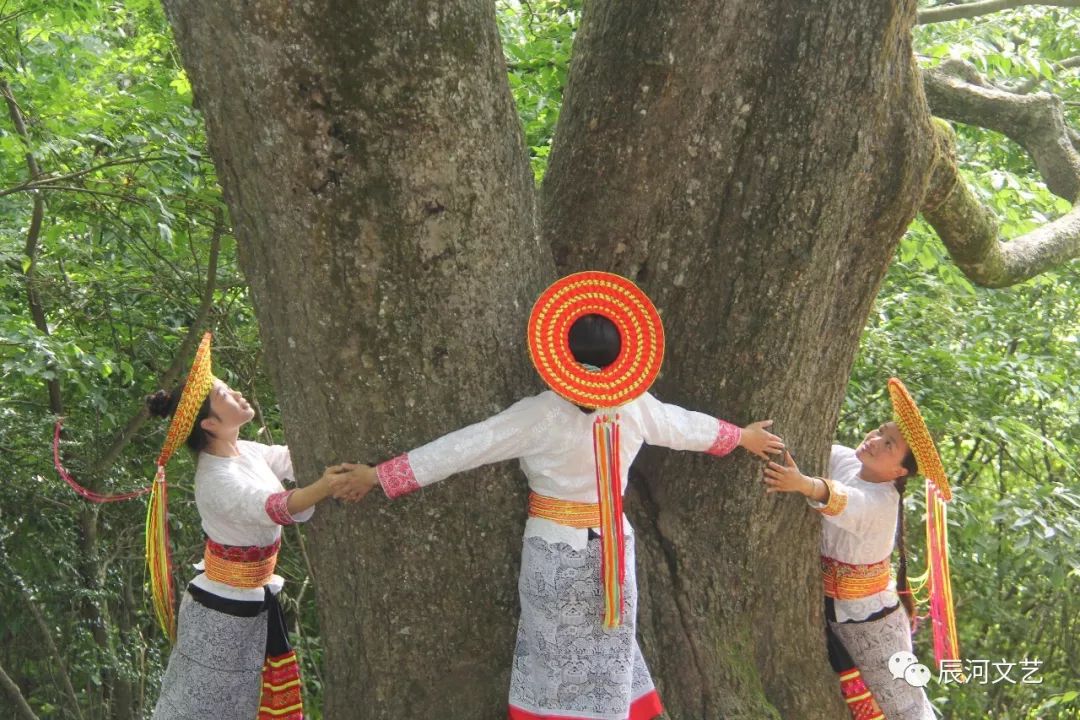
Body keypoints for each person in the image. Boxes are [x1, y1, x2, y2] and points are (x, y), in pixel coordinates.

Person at [332, 271, 784, 720]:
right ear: (621, 358)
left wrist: (379, 476)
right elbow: (686, 426)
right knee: (611, 651)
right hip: (613, 551)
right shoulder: (635, 407)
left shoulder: (539, 414)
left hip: (553, 553)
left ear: (559, 355)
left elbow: (465, 446)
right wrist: (742, 437)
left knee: (555, 660)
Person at [145, 333, 353, 720]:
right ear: (210, 423)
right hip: (223, 607)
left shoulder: (248, 452)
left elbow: (292, 459)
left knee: (245, 698)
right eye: (226, 395)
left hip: (251, 598)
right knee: (207, 702)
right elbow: (276, 507)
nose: (238, 394)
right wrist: (325, 487)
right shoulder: (216, 479)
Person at [763, 390, 942, 720]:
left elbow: (847, 501)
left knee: (901, 704)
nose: (875, 440)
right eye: (880, 432)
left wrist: (804, 484)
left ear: (899, 472)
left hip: (871, 621)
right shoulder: (847, 460)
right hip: (837, 610)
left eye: (889, 444)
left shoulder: (883, 504)